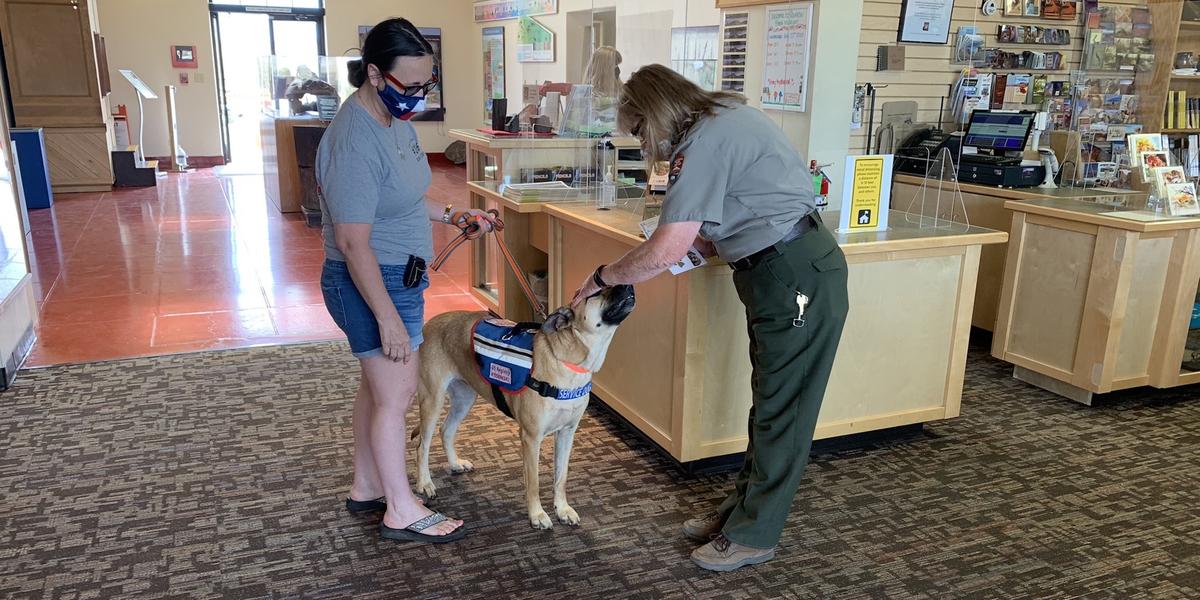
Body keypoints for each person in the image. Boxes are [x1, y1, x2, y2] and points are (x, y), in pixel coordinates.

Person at [571, 65, 849, 571]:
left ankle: (755, 534)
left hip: (792, 275)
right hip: (782, 269)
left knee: (784, 411)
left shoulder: (700, 144)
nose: (641, 143)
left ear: (655, 114)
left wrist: (603, 277)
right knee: (770, 404)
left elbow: (666, 249)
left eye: (638, 130)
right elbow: (712, 223)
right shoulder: (727, 115)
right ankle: (739, 513)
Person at [316, 18, 493, 544]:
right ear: (374, 74)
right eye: (409, 86)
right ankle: (402, 507)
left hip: (398, 275)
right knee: (397, 398)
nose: (418, 97)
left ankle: (368, 485)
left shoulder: (394, 123)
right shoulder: (354, 139)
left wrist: (452, 216)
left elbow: (402, 197)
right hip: (373, 282)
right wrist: (389, 319)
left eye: (426, 85)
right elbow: (352, 243)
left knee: (379, 392)